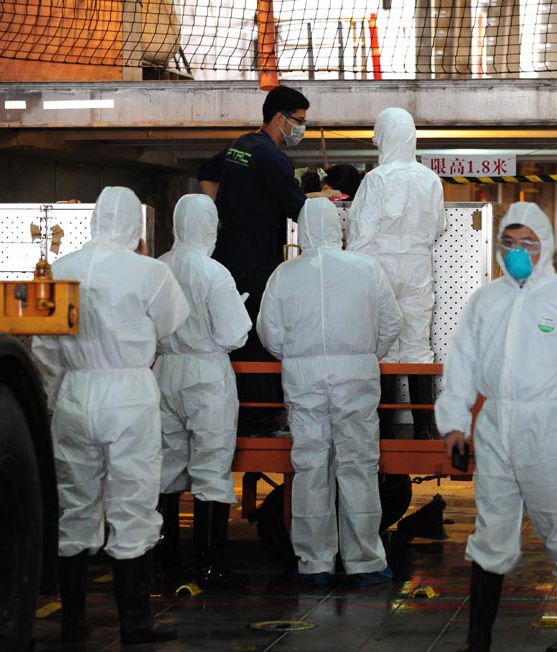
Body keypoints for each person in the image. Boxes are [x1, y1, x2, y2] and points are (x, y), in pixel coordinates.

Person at [436, 202, 557, 652]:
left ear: (545, 247)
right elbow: (460, 365)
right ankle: (477, 638)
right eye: (510, 243)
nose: (517, 252)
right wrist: (454, 425)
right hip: (497, 424)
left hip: (553, 428)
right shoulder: (486, 301)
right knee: (492, 529)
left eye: (528, 244)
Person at [32, 186, 190, 645]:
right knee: (133, 505)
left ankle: (73, 624)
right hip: (128, 392)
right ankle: (136, 623)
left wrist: (56, 395)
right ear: (134, 227)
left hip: (75, 392)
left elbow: (44, 347)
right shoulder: (149, 272)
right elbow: (171, 324)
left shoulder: (59, 270)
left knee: (76, 506)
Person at [258, 198, 402, 587]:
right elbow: (391, 322)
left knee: (310, 466)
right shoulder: (367, 269)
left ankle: (314, 563)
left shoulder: (284, 275)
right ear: (338, 229)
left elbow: (269, 332)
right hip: (356, 372)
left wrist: (298, 356)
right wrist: (365, 354)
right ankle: (365, 562)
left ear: (301, 229)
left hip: (303, 375)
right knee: (357, 464)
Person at [197, 85, 310, 437]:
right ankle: (260, 421)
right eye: (299, 121)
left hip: (228, 257)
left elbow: (206, 171)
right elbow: (298, 209)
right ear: (280, 118)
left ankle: (241, 416)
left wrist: (222, 212)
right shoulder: (273, 158)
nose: (301, 128)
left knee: (233, 336)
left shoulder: (240, 146)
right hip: (255, 263)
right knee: (260, 338)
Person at [153, 194, 253, 590]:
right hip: (206, 374)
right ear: (209, 226)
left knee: (165, 470)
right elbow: (233, 334)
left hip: (164, 371)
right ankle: (210, 565)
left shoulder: (157, 268)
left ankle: (164, 563)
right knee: (211, 469)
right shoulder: (213, 273)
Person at [347, 107, 446, 439]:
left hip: (382, 269)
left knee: (384, 345)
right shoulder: (430, 179)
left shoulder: (377, 178)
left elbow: (360, 234)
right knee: (418, 345)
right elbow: (438, 226)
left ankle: (385, 429)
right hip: (418, 268)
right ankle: (425, 429)